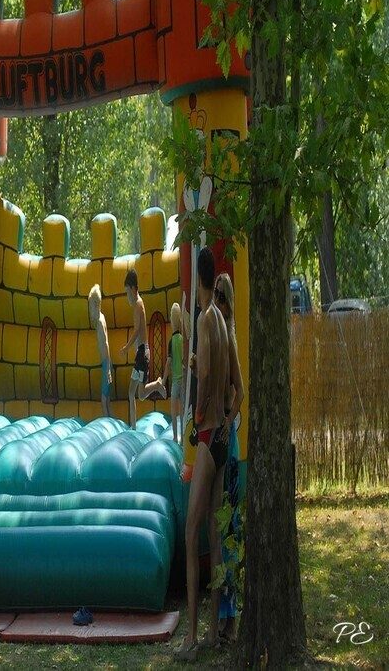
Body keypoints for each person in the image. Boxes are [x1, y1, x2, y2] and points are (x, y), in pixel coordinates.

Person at [174, 247, 230, 663]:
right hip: (223, 437)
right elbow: (232, 380)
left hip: (209, 436)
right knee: (213, 533)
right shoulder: (224, 322)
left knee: (191, 534)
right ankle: (215, 631)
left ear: (200, 282)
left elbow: (208, 373)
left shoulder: (207, 319)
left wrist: (199, 415)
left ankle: (192, 638)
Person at [214, 273, 244, 642]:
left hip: (229, 447)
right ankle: (221, 617)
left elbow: (241, 393)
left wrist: (226, 421)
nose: (218, 300)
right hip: (215, 445)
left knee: (230, 533)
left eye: (223, 295)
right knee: (219, 533)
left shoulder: (230, 338)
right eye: (215, 293)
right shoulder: (213, 334)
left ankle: (231, 619)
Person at [120, 269, 166, 429]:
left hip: (142, 355)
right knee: (131, 392)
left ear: (133, 289)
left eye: (127, 292)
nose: (127, 297)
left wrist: (126, 347)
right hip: (140, 354)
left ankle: (157, 385)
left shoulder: (138, 304)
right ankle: (133, 426)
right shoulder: (138, 304)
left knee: (139, 394)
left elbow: (138, 330)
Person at [88, 285, 113, 417]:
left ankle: (107, 424)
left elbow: (106, 344)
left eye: (90, 306)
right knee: (107, 399)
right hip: (107, 362)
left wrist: (108, 368)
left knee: (103, 400)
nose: (89, 309)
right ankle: (112, 424)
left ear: (96, 305)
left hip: (106, 363)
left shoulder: (99, 322)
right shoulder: (101, 317)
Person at [162, 302, 184, 443]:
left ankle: (176, 436)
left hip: (175, 380)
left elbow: (169, 362)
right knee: (182, 411)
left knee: (173, 409)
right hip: (184, 379)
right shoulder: (183, 340)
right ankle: (182, 436)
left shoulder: (172, 341)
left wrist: (163, 380)